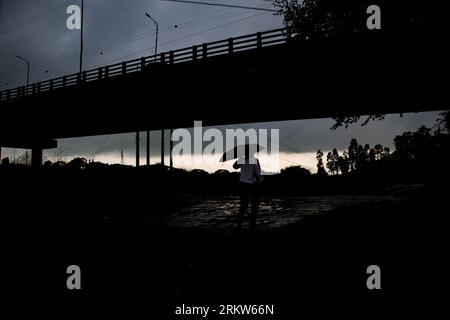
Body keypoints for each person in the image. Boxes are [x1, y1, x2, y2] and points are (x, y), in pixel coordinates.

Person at [233, 150, 261, 231]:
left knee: (243, 205)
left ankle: (239, 225)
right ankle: (252, 224)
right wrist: (259, 179)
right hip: (253, 185)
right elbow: (258, 174)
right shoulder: (255, 160)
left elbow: (234, 167)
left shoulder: (242, 159)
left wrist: (239, 160)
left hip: (243, 185)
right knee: (254, 205)